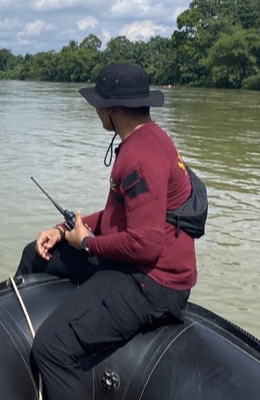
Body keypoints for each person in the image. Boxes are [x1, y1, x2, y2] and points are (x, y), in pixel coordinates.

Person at [17, 63, 197, 399]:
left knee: (52, 347)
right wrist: (63, 229)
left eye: (99, 103)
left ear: (113, 109)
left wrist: (86, 243)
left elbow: (145, 245)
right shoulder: (149, 138)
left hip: (153, 283)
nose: (96, 109)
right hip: (135, 264)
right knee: (35, 254)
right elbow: (122, 216)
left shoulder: (141, 156)